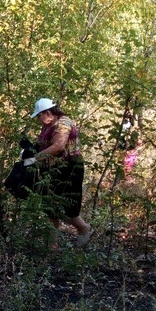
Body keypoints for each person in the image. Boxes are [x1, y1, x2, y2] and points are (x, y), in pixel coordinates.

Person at [27, 97, 93, 247]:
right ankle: (51, 246)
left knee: (67, 206)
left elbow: (58, 146)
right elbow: (41, 143)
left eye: (39, 115)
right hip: (51, 169)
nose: (38, 118)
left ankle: (84, 229)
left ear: (48, 112)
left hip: (69, 168)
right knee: (49, 206)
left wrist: (34, 159)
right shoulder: (48, 125)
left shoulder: (63, 123)